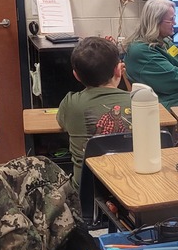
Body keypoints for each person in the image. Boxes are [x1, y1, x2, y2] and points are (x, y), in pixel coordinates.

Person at [56, 36, 132, 188]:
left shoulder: (71, 103)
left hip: (87, 192)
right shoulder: (139, 102)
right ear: (118, 70)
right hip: (134, 186)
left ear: (76, 75)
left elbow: (61, 123)